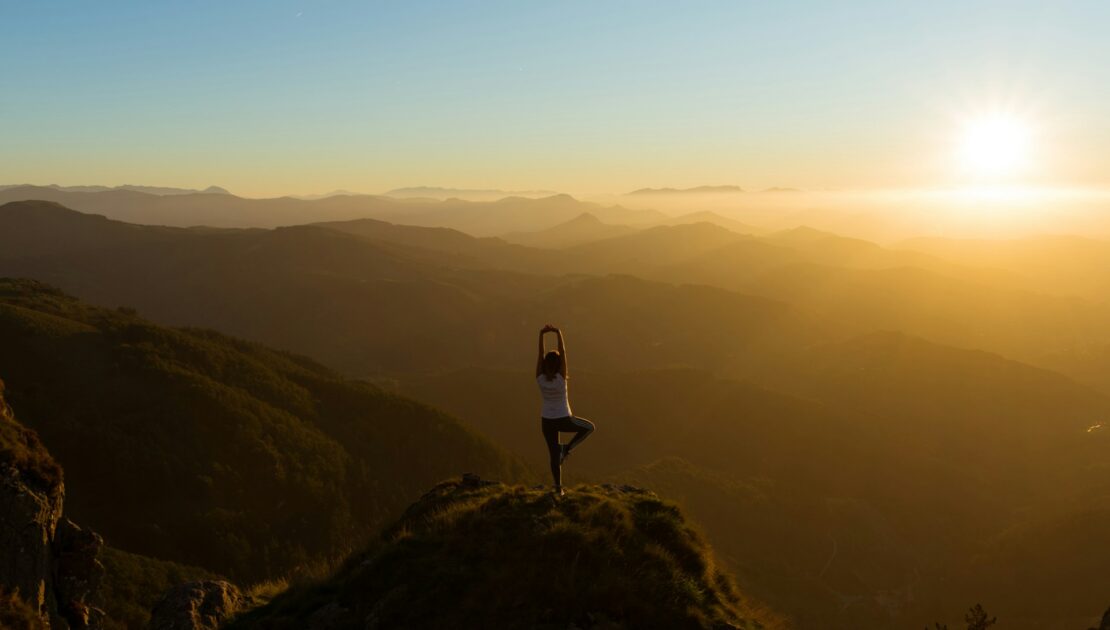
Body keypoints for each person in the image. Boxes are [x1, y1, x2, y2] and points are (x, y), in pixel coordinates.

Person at [536, 324, 595, 496]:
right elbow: (564, 352)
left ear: (545, 364)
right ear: (559, 364)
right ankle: (567, 448)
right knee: (589, 428)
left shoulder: (539, 378)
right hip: (563, 419)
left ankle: (558, 488)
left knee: (553, 456)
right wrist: (558, 333)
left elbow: (540, 355)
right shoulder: (561, 378)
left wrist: (541, 334)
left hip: (546, 422)